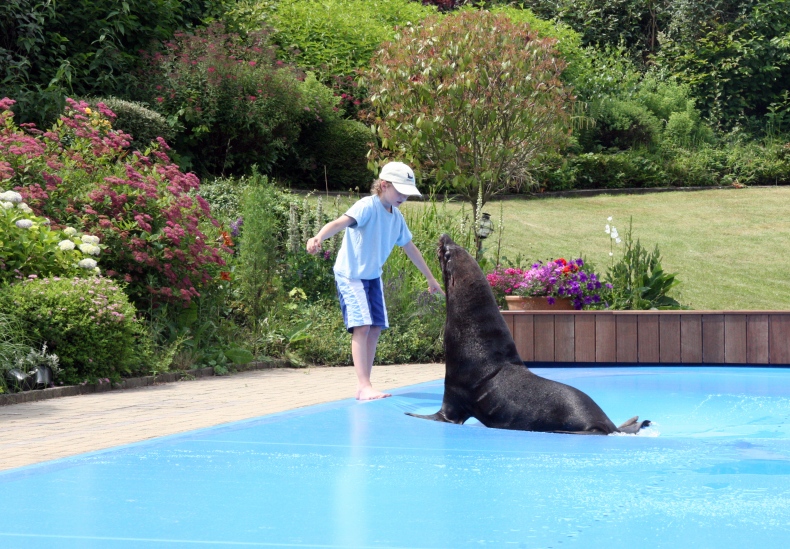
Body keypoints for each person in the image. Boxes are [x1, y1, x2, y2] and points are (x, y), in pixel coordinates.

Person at [306, 161, 444, 401]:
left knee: (376, 326)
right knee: (362, 326)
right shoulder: (367, 207)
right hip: (351, 274)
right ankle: (364, 385)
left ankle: (365, 384)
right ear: (383, 185)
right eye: (399, 191)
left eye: (406, 193)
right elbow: (340, 223)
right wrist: (318, 237)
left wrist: (430, 278)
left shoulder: (397, 217)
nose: (403, 196)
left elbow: (410, 247)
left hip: (372, 276)